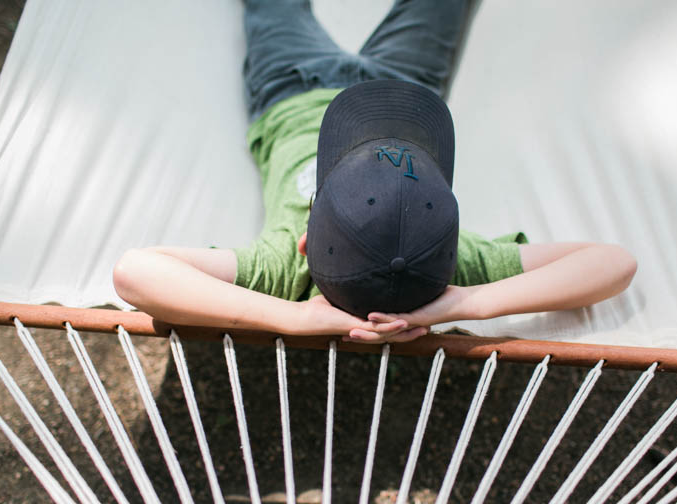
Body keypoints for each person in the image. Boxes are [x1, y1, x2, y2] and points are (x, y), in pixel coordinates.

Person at [112, 0, 637, 344]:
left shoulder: (284, 270)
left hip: (293, 86)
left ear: (304, 241)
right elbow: (613, 263)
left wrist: (294, 318)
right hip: (401, 92)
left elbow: (135, 271)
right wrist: (465, 305)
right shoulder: (451, 271)